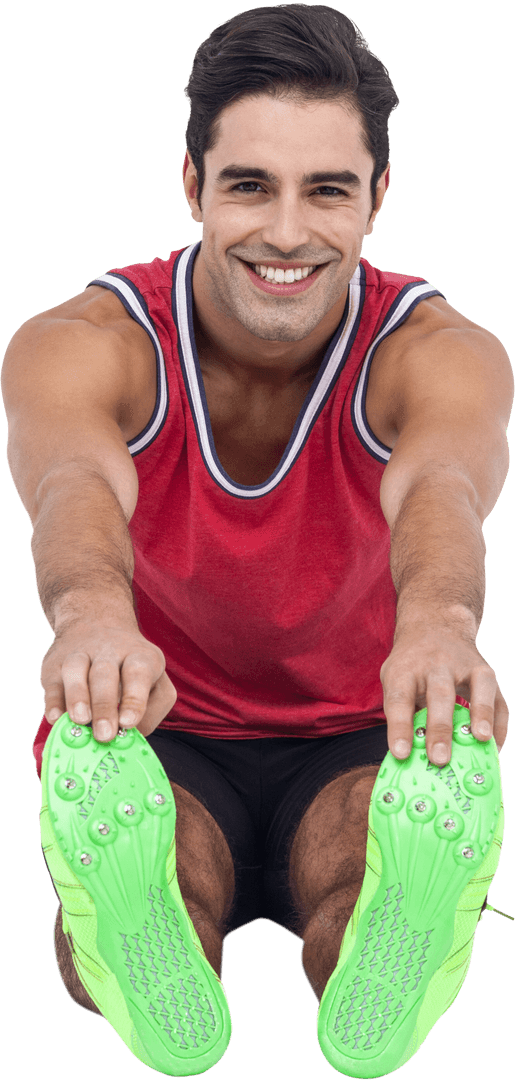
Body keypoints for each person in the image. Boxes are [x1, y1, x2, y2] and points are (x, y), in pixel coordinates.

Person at [2, 4, 513, 1076]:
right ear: (192, 186)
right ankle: (136, 925)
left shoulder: (438, 352)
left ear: (378, 198)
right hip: (156, 724)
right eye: (248, 186)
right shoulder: (84, 343)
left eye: (326, 190)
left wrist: (437, 629)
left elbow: (441, 487)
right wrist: (93, 620)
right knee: (160, 895)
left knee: (364, 885)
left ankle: (403, 935)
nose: (285, 231)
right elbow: (71, 481)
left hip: (358, 724)